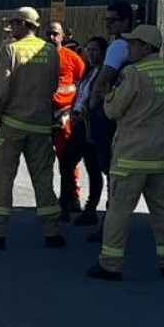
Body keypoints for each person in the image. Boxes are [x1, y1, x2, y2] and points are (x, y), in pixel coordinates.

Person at [88, 24, 164, 282]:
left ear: (145, 47)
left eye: (132, 44)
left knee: (120, 209)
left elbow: (113, 110)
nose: (128, 48)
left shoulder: (134, 74)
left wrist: (108, 96)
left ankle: (110, 263)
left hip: (133, 150)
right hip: (162, 150)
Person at [0, 5, 62, 250]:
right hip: (41, 127)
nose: (11, 27)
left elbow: (0, 90)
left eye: (14, 23)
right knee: (44, 179)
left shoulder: (10, 50)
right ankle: (53, 232)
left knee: (3, 178)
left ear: (24, 25)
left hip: (12, 125)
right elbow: (54, 85)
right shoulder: (51, 51)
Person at [84, 1, 136, 241]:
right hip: (130, 116)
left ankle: (109, 226)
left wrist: (92, 105)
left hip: (109, 115)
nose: (108, 24)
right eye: (106, 20)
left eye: (113, 20)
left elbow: (103, 79)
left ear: (126, 22)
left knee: (110, 172)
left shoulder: (117, 47)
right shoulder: (137, 46)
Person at [62, 35, 108, 226]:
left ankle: (90, 209)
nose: (90, 53)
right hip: (79, 124)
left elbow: (100, 98)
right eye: (88, 49)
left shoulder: (105, 73)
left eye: (95, 50)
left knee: (93, 168)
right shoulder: (89, 71)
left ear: (104, 53)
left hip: (91, 126)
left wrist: (87, 112)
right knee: (66, 161)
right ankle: (67, 201)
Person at [45, 20, 86, 219]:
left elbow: (81, 81)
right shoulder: (39, 57)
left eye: (55, 34)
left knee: (66, 159)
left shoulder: (71, 58)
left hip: (64, 114)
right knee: (43, 160)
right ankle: (48, 200)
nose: (51, 37)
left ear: (63, 36)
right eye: (49, 33)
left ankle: (73, 197)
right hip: (43, 115)